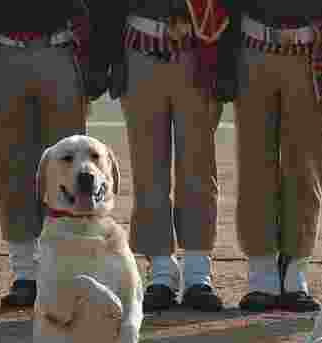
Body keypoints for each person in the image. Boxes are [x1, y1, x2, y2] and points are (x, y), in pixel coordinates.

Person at [0, 1, 109, 308]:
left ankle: (64, 272)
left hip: (60, 49)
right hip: (2, 52)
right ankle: (25, 271)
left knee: (69, 170)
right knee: (11, 167)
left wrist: (97, 61)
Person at [216, 1, 322, 312]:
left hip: (312, 53)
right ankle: (261, 270)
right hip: (253, 49)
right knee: (255, 164)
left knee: (305, 167)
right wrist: (224, 64)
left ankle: (296, 268)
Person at [95, 0, 231, 312]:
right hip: (141, 47)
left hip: (199, 49)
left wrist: (225, 63)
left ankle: (198, 271)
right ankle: (160, 269)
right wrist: (107, 58)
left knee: (198, 165)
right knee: (148, 166)